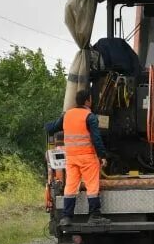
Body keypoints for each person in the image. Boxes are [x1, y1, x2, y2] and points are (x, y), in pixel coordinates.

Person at [44, 89, 108, 227]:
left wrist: (45, 125)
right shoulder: (89, 116)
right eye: (91, 99)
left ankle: (66, 217)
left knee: (71, 187)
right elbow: (96, 138)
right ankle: (94, 215)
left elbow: (52, 128)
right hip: (87, 158)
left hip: (71, 158)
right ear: (87, 101)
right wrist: (102, 155)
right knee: (92, 186)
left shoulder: (67, 115)